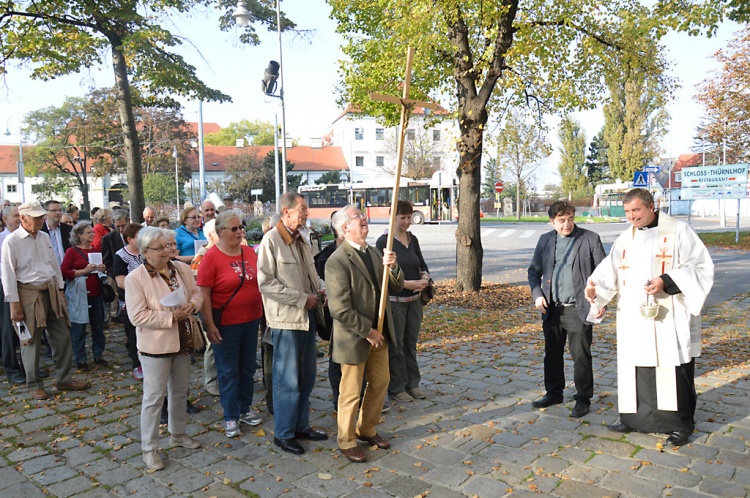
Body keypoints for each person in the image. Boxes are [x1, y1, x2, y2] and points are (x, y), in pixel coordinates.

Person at [585, 188, 714, 447]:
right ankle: (634, 419)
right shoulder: (626, 239)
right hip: (634, 317)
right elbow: (609, 269)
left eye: (636, 211)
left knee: (672, 369)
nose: (632, 217)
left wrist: (666, 280)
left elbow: (700, 266)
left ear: (651, 206)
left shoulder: (678, 231)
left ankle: (679, 425)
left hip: (669, 316)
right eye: (628, 212)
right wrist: (595, 287)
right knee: (636, 367)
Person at [326, 204, 403, 463]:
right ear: (344, 228)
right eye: (357, 216)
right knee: (350, 392)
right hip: (355, 337)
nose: (364, 218)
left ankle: (366, 428)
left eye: (362, 215)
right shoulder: (337, 261)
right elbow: (339, 308)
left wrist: (392, 267)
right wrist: (367, 331)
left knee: (381, 382)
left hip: (379, 332)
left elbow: (394, 286)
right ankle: (346, 440)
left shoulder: (373, 252)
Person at [124, 227, 204, 471]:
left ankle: (177, 434)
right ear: (145, 252)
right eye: (160, 248)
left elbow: (198, 290)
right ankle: (149, 449)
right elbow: (137, 316)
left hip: (183, 340)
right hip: (155, 346)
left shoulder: (179, 267)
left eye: (168, 247)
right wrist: (171, 318)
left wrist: (192, 304)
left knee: (180, 392)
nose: (167, 251)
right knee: (154, 398)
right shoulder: (135, 278)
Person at [257, 192, 328, 455]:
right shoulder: (271, 240)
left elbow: (313, 275)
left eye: (306, 210)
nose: (306, 214)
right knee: (287, 379)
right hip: (286, 320)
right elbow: (266, 284)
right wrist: (302, 299)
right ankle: (284, 433)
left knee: (306, 376)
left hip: (307, 316)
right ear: (286, 211)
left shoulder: (302, 240)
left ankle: (301, 426)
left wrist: (322, 290)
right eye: (302, 209)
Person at [1, 201, 90, 400]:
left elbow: (53, 264)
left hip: (50, 289)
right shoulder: (11, 241)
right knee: (30, 340)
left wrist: (60, 290)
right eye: (36, 217)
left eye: (41, 216)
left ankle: (64, 378)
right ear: (23, 218)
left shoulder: (44, 236)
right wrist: (14, 305)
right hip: (27, 292)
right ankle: (34, 384)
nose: (41, 220)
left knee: (62, 335)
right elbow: (7, 274)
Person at [527, 200, 606, 418]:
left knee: (581, 355)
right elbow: (534, 271)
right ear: (552, 222)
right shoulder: (545, 240)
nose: (567, 224)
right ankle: (554, 392)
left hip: (578, 308)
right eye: (561, 220)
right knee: (552, 354)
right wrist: (537, 295)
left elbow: (604, 274)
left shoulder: (589, 239)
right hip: (551, 308)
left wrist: (601, 302)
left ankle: (583, 398)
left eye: (570, 218)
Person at [198, 211, 264, 438]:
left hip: (251, 320)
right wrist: (209, 324)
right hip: (226, 324)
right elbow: (204, 294)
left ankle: (244, 408)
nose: (240, 232)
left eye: (241, 227)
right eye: (234, 229)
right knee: (227, 371)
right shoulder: (212, 257)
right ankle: (230, 416)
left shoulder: (249, 252)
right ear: (221, 232)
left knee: (247, 368)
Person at [376, 200, 431, 403]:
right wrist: (406, 284)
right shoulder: (385, 242)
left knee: (411, 343)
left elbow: (422, 263)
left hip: (415, 301)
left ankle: (413, 383)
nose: (406, 222)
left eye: (409, 218)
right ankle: (397, 387)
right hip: (396, 301)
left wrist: (424, 279)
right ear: (393, 217)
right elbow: (383, 276)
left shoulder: (412, 239)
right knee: (396, 345)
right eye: (402, 218)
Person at [61, 222, 109, 370]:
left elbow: (99, 271)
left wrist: (102, 269)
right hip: (79, 295)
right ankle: (80, 358)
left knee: (98, 326)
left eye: (92, 233)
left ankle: (98, 354)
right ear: (79, 235)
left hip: (96, 293)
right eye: (89, 233)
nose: (92, 235)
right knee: (79, 327)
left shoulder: (95, 250)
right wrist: (83, 271)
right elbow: (64, 272)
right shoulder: (72, 252)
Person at [190, 219, 220, 397]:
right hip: (209, 308)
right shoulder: (202, 257)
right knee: (212, 345)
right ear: (210, 236)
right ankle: (211, 381)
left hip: (224, 308)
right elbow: (198, 289)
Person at [113, 223, 144, 380]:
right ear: (130, 239)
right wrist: (140, 289)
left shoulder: (146, 252)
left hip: (149, 298)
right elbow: (120, 281)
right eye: (139, 236)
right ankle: (136, 363)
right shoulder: (120, 255)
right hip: (131, 299)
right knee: (133, 332)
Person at [0, 205, 25, 383]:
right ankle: (11, 368)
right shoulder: (2, 239)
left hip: (25, 286)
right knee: (9, 330)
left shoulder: (25, 238)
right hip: (5, 289)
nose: (19, 219)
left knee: (27, 329)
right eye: (15, 216)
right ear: (5, 220)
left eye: (21, 216)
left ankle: (28, 366)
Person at [41, 200, 72, 266]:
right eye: (54, 211)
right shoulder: (40, 231)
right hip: (47, 269)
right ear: (45, 213)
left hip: (66, 270)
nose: (58, 213)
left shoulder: (68, 229)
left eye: (60, 210)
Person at [102, 209, 129, 276]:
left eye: (123, 226)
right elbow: (107, 262)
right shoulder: (108, 239)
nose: (121, 229)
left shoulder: (137, 234)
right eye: (118, 226)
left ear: (129, 221)